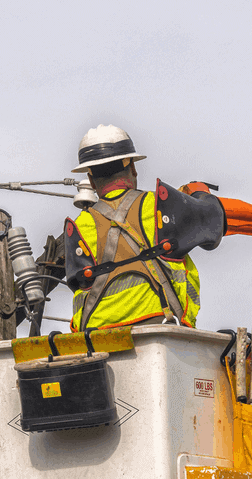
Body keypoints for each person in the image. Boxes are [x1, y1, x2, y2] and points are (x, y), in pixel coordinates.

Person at [64, 124, 225, 332]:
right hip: (162, 329)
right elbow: (214, 223)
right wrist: (199, 194)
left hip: (96, 338)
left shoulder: (80, 226)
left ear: (92, 181)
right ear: (132, 168)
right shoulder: (159, 206)